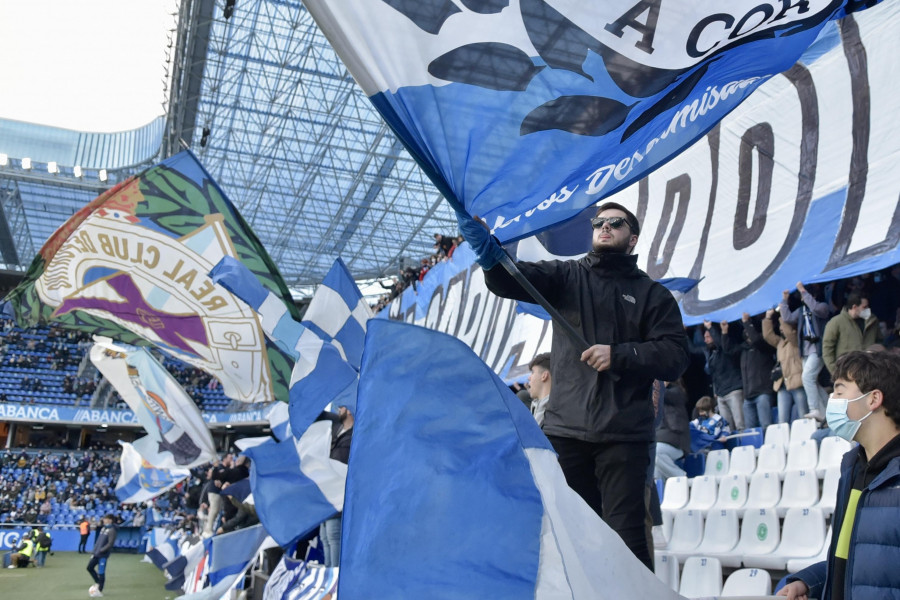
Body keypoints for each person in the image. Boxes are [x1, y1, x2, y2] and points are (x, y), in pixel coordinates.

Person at [459, 202, 690, 570]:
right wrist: (487, 251)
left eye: (616, 223)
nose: (605, 226)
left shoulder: (652, 295)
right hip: (566, 432)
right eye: (599, 222)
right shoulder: (565, 276)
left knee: (627, 542)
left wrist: (620, 354)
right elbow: (509, 278)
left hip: (625, 436)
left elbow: (676, 355)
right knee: (570, 539)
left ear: (632, 238)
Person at [778, 350, 900, 600]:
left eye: (840, 391)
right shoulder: (852, 469)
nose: (832, 399)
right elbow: (849, 561)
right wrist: (809, 582)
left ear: (873, 399)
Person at [779, 282, 831, 420]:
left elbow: (816, 309)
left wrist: (803, 290)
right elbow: (787, 318)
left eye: (805, 295)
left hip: (818, 349)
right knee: (811, 380)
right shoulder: (801, 311)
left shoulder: (822, 306)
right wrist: (784, 300)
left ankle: (815, 409)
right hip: (805, 351)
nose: (803, 298)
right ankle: (828, 409)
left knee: (807, 377)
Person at [318, 405, 354, 568]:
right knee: (325, 537)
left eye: (342, 406)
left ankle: (335, 578)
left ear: (349, 409)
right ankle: (328, 576)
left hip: (340, 493)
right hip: (327, 493)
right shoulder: (335, 430)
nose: (339, 409)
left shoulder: (356, 434)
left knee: (333, 536)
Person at [762, 308, 808, 423]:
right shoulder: (780, 343)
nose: (781, 328)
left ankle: (809, 439)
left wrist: (782, 315)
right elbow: (768, 335)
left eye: (783, 326)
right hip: (782, 384)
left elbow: (789, 333)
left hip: (797, 383)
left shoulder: (795, 340)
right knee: (782, 420)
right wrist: (768, 318)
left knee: (804, 416)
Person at [822, 293, 882, 376]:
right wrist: (834, 371)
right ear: (854, 307)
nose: (868, 309)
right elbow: (827, 349)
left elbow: (880, 341)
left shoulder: (872, 320)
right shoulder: (836, 322)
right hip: (848, 371)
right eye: (864, 307)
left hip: (870, 370)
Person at [702, 320, 745, 430]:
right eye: (705, 337)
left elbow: (721, 344)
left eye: (708, 337)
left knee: (740, 425)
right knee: (727, 429)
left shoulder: (725, 348)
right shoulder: (712, 354)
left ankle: (746, 446)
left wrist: (710, 327)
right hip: (721, 394)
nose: (705, 340)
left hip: (733, 390)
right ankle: (733, 448)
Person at [737, 312, 776, 429]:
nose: (748, 336)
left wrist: (746, 322)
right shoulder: (743, 351)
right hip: (748, 396)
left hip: (763, 393)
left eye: (749, 333)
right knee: (750, 432)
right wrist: (723, 333)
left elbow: (756, 340)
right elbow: (728, 349)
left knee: (766, 427)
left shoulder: (764, 346)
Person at [654, 381, 690, 480]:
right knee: (654, 465)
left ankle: (682, 478)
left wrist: (659, 386)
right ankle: (663, 490)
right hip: (661, 441)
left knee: (656, 453)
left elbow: (663, 394)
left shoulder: (677, 392)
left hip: (677, 443)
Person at [87, 514, 118, 597]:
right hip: (96, 553)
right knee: (89, 567)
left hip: (103, 555)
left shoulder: (112, 530)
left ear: (110, 520)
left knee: (101, 572)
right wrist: (94, 550)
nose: (104, 520)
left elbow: (110, 543)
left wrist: (101, 550)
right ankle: (98, 582)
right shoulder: (104, 528)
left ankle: (99, 590)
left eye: (106, 519)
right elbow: (98, 541)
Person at [527, 352, 552, 426]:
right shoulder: (536, 408)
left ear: (544, 376)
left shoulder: (558, 414)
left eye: (532, 372)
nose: (529, 378)